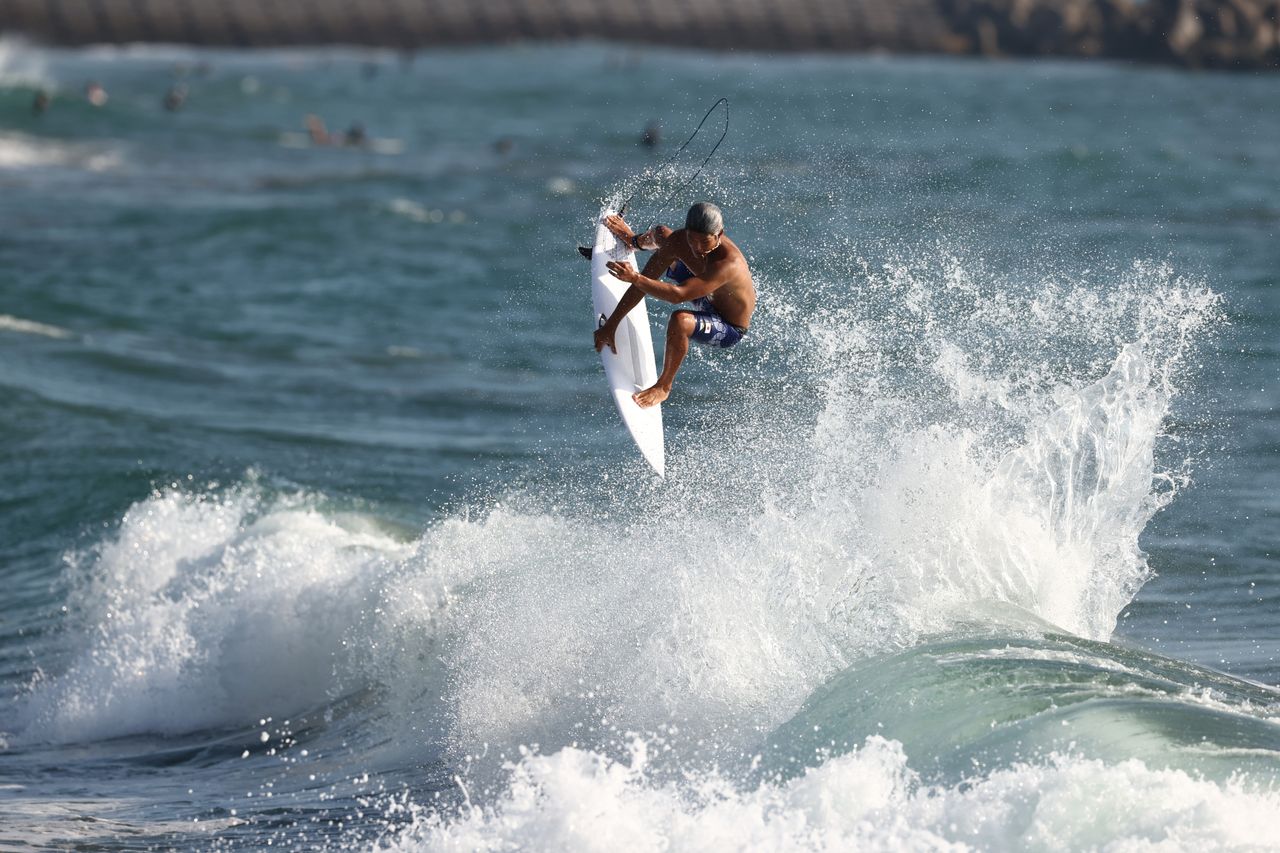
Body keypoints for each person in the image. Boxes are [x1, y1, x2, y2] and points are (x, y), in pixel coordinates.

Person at [594, 202, 755, 408]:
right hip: (704, 291)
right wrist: (611, 325)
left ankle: (663, 387)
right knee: (662, 234)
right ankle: (633, 241)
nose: (697, 248)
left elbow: (677, 295)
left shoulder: (728, 264)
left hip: (728, 325)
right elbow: (646, 280)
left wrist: (634, 277)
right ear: (686, 231)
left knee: (681, 321)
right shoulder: (681, 241)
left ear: (719, 234)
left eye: (704, 242)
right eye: (691, 239)